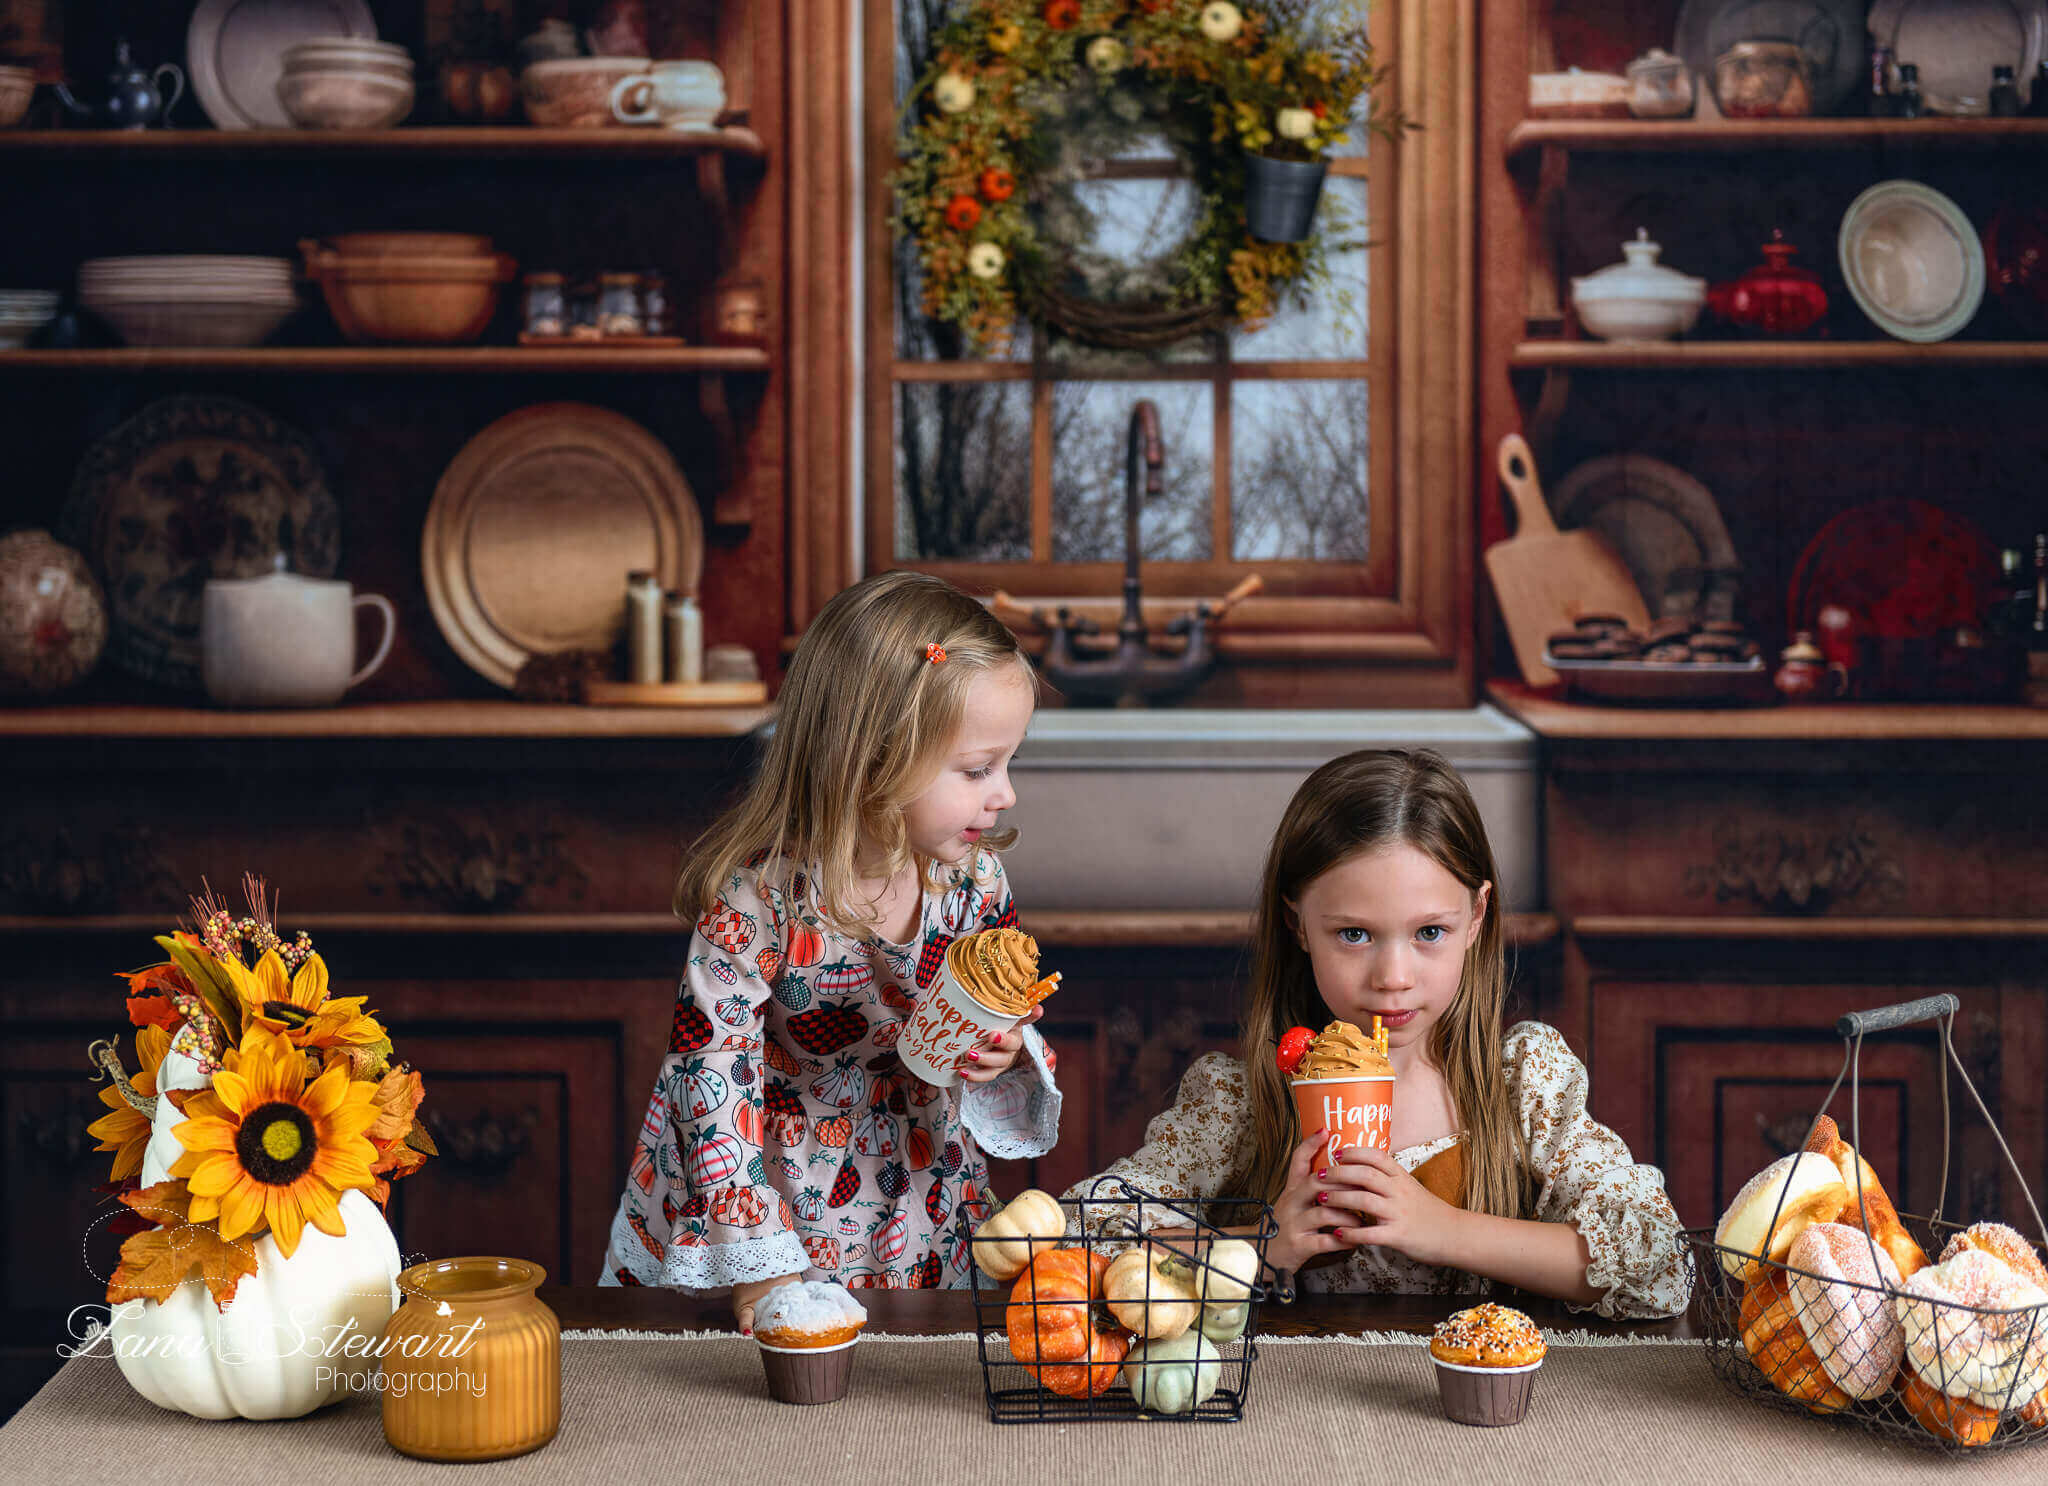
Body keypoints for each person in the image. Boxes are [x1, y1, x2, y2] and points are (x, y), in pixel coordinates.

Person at [1068, 748, 1691, 1318]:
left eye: (1429, 933)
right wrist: (1262, 1245)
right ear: (1298, 924)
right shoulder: (1239, 1102)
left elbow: (1659, 1264)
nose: (1393, 977)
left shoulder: (1524, 1085)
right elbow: (1080, 1235)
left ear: (1476, 916)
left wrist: (1440, 1228)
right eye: (1354, 934)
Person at [601, 571, 1060, 1330]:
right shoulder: (759, 898)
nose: (1004, 792)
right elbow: (708, 1072)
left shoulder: (973, 882)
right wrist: (760, 1266)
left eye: (1007, 764)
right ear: (873, 757)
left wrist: (1004, 1051)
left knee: (906, 1368)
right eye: (978, 769)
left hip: (917, 1186)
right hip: (769, 1187)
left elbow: (995, 1013)